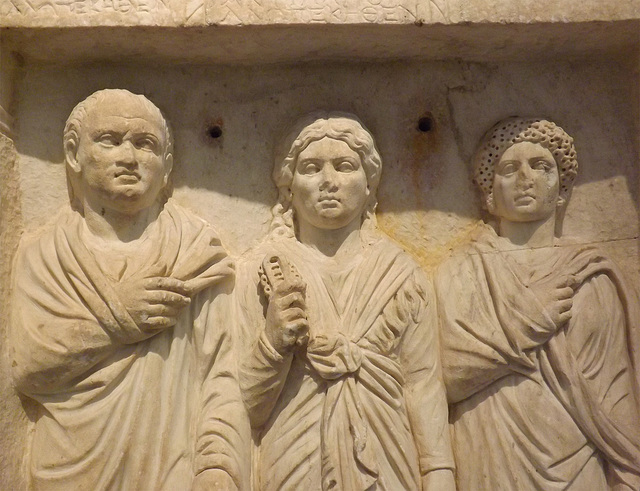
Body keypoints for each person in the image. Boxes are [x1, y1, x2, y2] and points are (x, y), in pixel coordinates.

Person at [10, 89, 248, 491]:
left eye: (145, 145)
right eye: (109, 140)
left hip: (173, 470)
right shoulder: (45, 256)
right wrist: (118, 319)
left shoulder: (193, 253)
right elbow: (30, 369)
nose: (128, 158)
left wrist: (217, 468)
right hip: (67, 469)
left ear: (168, 165)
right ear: (73, 154)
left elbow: (222, 375)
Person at [235, 112, 455, 491]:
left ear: (370, 185)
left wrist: (439, 475)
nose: (328, 182)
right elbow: (241, 405)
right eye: (310, 168)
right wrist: (272, 344)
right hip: (293, 457)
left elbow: (423, 385)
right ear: (288, 187)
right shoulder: (261, 269)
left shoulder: (401, 273)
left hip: (385, 454)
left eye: (345, 166)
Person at [436, 117, 640, 490]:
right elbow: (443, 377)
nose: (525, 178)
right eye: (509, 169)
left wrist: (628, 474)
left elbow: (616, 392)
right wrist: (524, 329)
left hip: (581, 461)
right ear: (488, 193)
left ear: (561, 189)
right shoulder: (461, 271)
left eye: (541, 167)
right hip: (489, 456)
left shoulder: (591, 276)